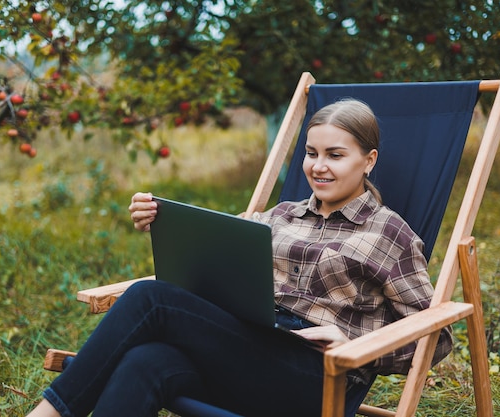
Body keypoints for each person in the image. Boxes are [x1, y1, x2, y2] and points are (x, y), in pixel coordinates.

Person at [27, 99, 452, 417]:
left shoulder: (389, 233)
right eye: (311, 153)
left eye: (335, 155)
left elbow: (435, 337)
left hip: (319, 378)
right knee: (146, 362)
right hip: (254, 351)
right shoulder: (280, 215)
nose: (318, 167)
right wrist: (159, 217)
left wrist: (356, 346)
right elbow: (211, 243)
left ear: (369, 161)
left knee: (150, 297)